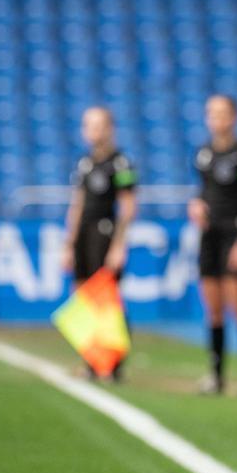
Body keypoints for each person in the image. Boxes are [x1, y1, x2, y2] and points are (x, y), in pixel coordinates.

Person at [188, 95, 237, 398]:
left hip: (235, 234)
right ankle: (216, 375)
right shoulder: (203, 154)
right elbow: (203, 191)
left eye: (222, 113)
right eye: (211, 113)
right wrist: (196, 205)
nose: (217, 119)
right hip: (210, 235)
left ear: (234, 117)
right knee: (214, 310)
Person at [60, 107, 137, 381]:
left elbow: (128, 206)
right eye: (88, 125)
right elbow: (77, 204)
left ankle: (115, 363)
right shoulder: (84, 163)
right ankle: (92, 360)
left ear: (110, 128)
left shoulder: (121, 163)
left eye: (98, 125)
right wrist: (69, 243)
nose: (93, 131)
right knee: (82, 296)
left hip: (105, 232)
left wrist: (119, 245)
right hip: (83, 233)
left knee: (108, 298)